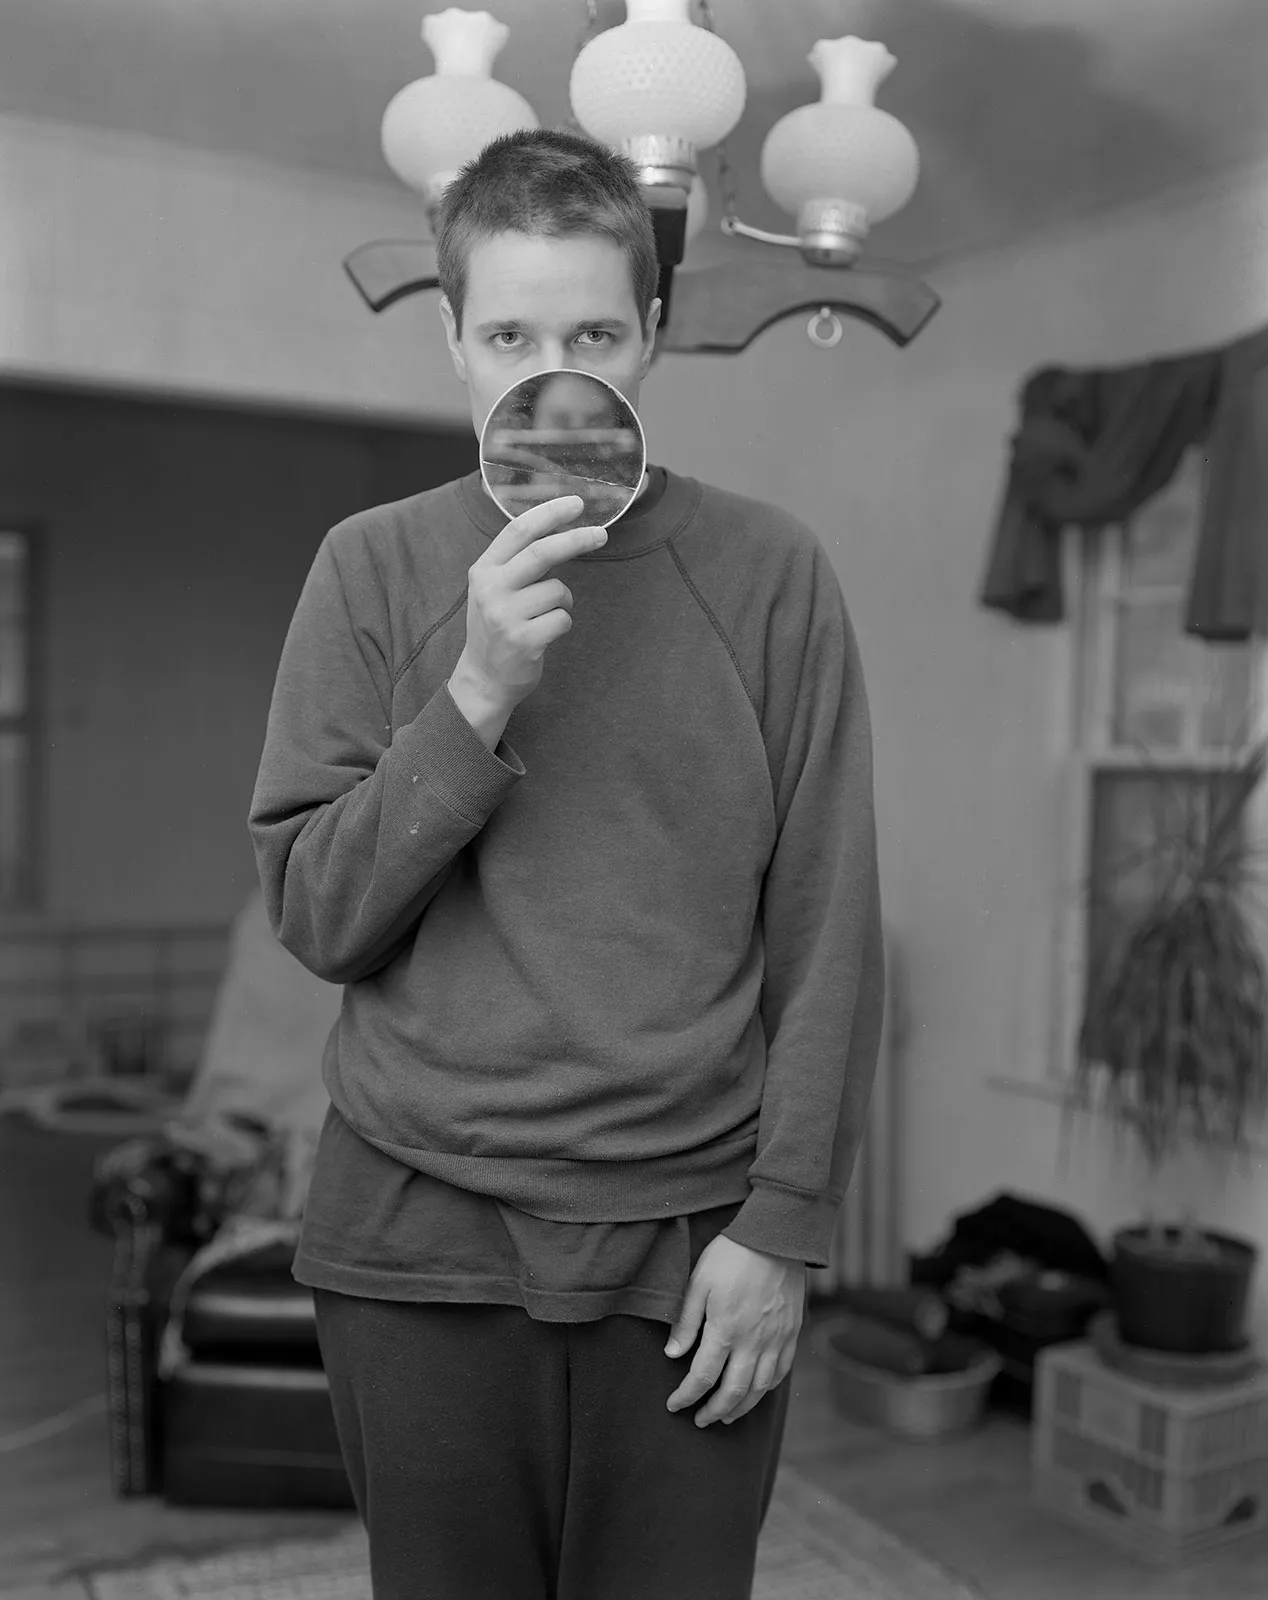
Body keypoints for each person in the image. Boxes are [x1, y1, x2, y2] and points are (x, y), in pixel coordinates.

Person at [249, 127, 884, 1600]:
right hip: (413, 1236)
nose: (557, 360)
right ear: (456, 347)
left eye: (595, 329)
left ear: (653, 336)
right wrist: (472, 693)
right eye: (514, 332)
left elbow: (828, 920)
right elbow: (316, 914)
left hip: (692, 1244)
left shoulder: (771, 573)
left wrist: (782, 1229)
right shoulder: (371, 568)